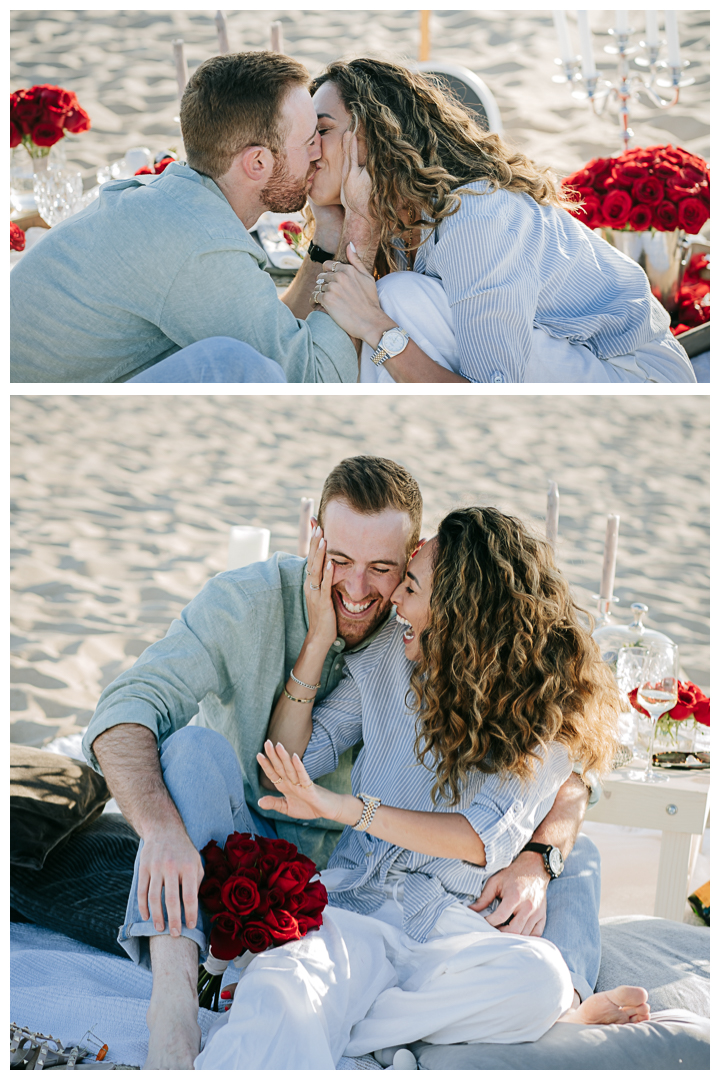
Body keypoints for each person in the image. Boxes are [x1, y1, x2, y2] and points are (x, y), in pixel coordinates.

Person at [79, 457, 601, 1067]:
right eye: (341, 563)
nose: (364, 593)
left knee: (552, 935)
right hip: (310, 877)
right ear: (316, 542)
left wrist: (539, 857)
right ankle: (191, 994)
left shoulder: (510, 690)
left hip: (431, 909)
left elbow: (529, 804)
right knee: (195, 760)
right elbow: (278, 755)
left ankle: (389, 1019)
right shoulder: (338, 639)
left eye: (394, 575)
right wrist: (318, 640)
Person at [305, 58, 697, 384]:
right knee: (391, 302)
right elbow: (321, 343)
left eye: (322, 130)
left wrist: (375, 326)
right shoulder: (399, 215)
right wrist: (340, 222)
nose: (311, 148)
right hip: (572, 357)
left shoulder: (475, 214)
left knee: (398, 298)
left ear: (377, 135)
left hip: (635, 374)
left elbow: (491, 392)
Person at [10, 52, 372, 383]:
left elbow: (273, 334)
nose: (318, 152)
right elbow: (319, 378)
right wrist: (361, 225)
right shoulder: (200, 243)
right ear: (258, 163)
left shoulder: (175, 201)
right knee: (229, 363)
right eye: (311, 139)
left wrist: (327, 237)